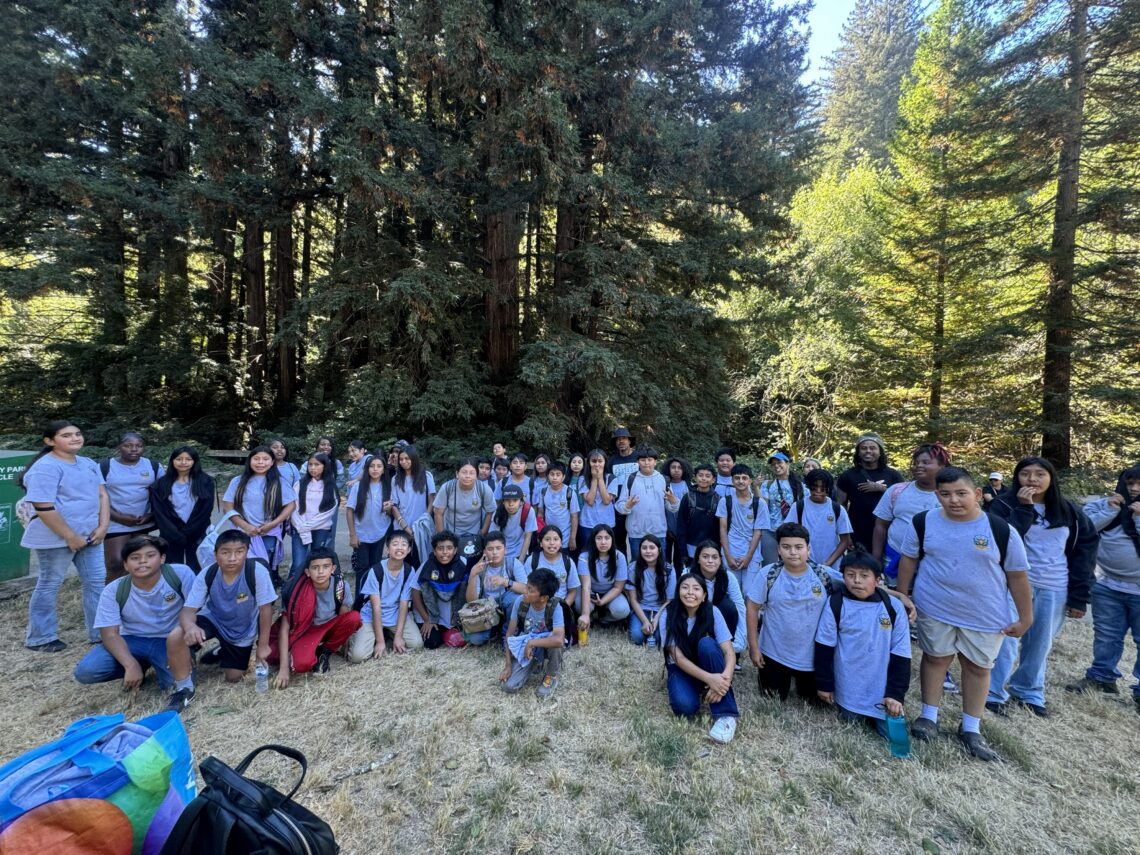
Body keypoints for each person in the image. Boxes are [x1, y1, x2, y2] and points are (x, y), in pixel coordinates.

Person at [897, 467, 1033, 762]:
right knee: (935, 659)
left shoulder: (1000, 530)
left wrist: (1025, 617)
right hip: (935, 606)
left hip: (984, 613)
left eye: (961, 494)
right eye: (945, 494)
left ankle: (971, 726)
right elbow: (908, 560)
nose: (953, 500)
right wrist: (904, 595)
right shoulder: (923, 523)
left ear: (976, 494)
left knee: (978, 667)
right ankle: (928, 716)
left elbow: (1018, 576)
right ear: (937, 496)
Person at [984, 457, 1098, 717]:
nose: (1032, 480)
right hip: (1010, 583)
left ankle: (1028, 691)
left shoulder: (1069, 511)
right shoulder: (1003, 505)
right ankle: (993, 692)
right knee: (1006, 638)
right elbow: (1000, 539)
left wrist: (1080, 596)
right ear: (1016, 477)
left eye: (1039, 475)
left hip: (1054, 585)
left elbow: (1085, 552)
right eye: (1025, 474)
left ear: (1051, 479)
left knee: (1040, 642)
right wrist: (1024, 508)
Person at [19, 420, 109, 652]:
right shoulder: (45, 467)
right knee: (50, 583)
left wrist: (103, 526)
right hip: (56, 538)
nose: (75, 438)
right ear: (50, 441)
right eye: (66, 435)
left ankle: (100, 633)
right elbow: (44, 507)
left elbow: (102, 495)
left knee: (96, 582)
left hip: (90, 536)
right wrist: (70, 537)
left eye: (77, 434)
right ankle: (41, 637)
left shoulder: (88, 463)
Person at [164, 530, 276, 711]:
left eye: (239, 552)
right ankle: (184, 688)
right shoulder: (208, 573)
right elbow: (188, 610)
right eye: (225, 552)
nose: (232, 558)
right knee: (177, 635)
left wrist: (263, 645)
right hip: (213, 618)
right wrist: (190, 626)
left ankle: (221, 650)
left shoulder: (257, 572)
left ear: (247, 553)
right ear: (216, 555)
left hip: (241, 631)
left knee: (233, 677)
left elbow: (265, 610)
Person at [73, 535, 194, 698]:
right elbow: (109, 634)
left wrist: (184, 647)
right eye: (135, 558)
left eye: (150, 556)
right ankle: (138, 664)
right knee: (87, 671)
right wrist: (130, 665)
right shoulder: (113, 590)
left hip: (169, 641)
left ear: (162, 558)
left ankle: (160, 662)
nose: (143, 561)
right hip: (131, 639)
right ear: (125, 564)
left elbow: (196, 610)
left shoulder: (180, 574)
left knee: (175, 685)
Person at [1065, 465, 1140, 712]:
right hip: (1107, 583)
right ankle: (1101, 678)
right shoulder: (1103, 503)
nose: (1134, 489)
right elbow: (1083, 528)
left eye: (1139, 484)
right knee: (1107, 634)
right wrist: (1110, 510)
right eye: (1130, 484)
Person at [815, 550, 911, 737]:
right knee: (852, 726)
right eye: (850, 575)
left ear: (877, 580)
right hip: (849, 691)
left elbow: (901, 653)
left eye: (864, 576)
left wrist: (895, 694)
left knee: (892, 736)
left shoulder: (893, 607)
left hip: (882, 691)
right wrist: (824, 684)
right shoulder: (836, 603)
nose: (856, 581)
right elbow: (824, 647)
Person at [745, 522, 834, 702]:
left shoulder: (823, 575)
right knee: (772, 698)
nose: (793, 552)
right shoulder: (768, 574)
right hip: (774, 652)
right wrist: (754, 648)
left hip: (811, 656)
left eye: (798, 547)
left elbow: (857, 584)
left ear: (808, 549)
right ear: (778, 549)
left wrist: (899, 596)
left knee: (816, 702)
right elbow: (752, 608)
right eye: (786, 547)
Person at [659, 572, 739, 743]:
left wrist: (723, 682)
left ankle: (726, 716)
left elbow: (729, 653)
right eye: (685, 587)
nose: (690, 592)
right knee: (685, 707)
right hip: (681, 668)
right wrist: (710, 679)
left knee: (707, 645)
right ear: (678, 592)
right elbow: (677, 658)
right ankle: (701, 687)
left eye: (696, 589)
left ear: (703, 596)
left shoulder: (713, 611)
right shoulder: (668, 614)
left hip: (707, 662)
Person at [269, 548, 362, 687]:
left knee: (354, 617)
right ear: (307, 572)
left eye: (326, 567)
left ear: (333, 568)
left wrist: (344, 641)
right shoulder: (295, 590)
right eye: (315, 567)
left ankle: (324, 651)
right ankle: (311, 651)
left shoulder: (341, 586)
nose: (320, 572)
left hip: (329, 626)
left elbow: (345, 616)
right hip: (307, 631)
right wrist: (283, 668)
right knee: (301, 666)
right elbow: (285, 629)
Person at [871, 442, 950, 586]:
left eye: (926, 462)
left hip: (931, 564)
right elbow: (880, 525)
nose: (918, 466)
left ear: (942, 466)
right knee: (896, 601)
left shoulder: (949, 495)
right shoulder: (897, 490)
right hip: (893, 559)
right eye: (916, 462)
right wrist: (876, 558)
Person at [222, 446, 297, 580]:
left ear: (272, 462)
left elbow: (291, 505)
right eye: (256, 459)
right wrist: (245, 526)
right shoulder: (237, 481)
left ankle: (263, 597)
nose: (261, 463)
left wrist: (273, 524)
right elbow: (227, 507)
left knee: (262, 569)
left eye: (265, 459)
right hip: (241, 532)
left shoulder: (279, 482)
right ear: (250, 461)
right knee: (239, 566)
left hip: (267, 533)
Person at [347, 531, 423, 660]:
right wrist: (380, 642)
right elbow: (376, 608)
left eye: (404, 544)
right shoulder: (376, 571)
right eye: (395, 544)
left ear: (409, 550)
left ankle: (390, 634)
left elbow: (404, 604)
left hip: (395, 614)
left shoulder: (409, 570)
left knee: (416, 644)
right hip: (371, 616)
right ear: (387, 549)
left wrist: (398, 636)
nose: (399, 548)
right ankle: (371, 636)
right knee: (357, 657)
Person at [101, 433, 163, 583]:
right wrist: (118, 517)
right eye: (128, 445)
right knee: (116, 562)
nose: (134, 449)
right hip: (114, 521)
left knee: (142, 563)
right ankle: (112, 599)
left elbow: (163, 494)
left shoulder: (153, 466)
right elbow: (97, 496)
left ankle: (138, 595)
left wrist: (152, 514)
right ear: (119, 447)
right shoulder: (105, 466)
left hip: (142, 522)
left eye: (139, 446)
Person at [500, 567, 565, 698]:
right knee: (508, 686)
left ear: (543, 598)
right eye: (526, 587)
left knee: (555, 639)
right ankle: (535, 663)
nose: (525, 591)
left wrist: (532, 642)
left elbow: (559, 640)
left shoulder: (554, 606)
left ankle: (551, 675)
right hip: (527, 647)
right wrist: (508, 665)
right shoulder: (520, 602)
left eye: (530, 590)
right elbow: (509, 635)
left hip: (544, 645)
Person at [150, 446, 216, 572]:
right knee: (171, 568)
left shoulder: (205, 481)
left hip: (197, 532)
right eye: (179, 459)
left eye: (188, 459)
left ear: (194, 461)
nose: (183, 462)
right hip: (170, 534)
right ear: (172, 461)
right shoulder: (161, 484)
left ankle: (198, 591)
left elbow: (205, 510)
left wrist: (189, 531)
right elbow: (160, 513)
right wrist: (175, 533)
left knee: (198, 566)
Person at [836, 433, 904, 552]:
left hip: (887, 533)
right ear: (858, 452)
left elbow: (903, 502)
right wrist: (845, 536)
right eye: (864, 448)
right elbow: (840, 506)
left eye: (872, 448)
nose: (868, 451)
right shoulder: (847, 476)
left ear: (880, 451)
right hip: (857, 532)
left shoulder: (893, 475)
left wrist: (882, 489)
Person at [785, 469, 853, 579]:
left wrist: (828, 564)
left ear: (829, 489)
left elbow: (845, 541)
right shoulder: (798, 507)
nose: (818, 491)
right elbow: (788, 535)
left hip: (832, 567)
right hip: (803, 565)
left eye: (823, 488)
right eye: (814, 487)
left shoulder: (837, 509)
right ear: (808, 486)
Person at [462, 532, 527, 645]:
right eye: (490, 549)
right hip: (487, 609)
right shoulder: (479, 568)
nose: (495, 552)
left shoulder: (513, 563)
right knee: (475, 640)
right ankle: (495, 631)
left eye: (498, 548)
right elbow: (471, 601)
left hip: (507, 605)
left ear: (505, 550)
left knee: (516, 598)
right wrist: (473, 576)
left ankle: (507, 635)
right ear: (485, 551)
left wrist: (505, 582)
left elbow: (526, 590)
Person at [615, 445, 680, 558]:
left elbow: (673, 507)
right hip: (636, 533)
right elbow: (619, 505)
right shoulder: (631, 479)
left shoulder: (663, 479)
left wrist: (673, 501)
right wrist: (627, 506)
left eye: (650, 460)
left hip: (659, 533)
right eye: (643, 460)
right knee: (637, 567)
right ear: (638, 462)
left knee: (659, 567)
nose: (646, 463)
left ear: (655, 462)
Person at [409, 530, 469, 649]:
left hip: (454, 615)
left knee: (463, 640)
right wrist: (427, 619)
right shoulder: (427, 566)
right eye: (440, 548)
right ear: (434, 551)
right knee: (431, 643)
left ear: (455, 550)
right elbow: (414, 592)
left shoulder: (463, 564)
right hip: (432, 615)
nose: (445, 552)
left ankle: (453, 626)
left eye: (449, 548)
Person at [690, 541, 747, 659]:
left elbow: (740, 607)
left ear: (720, 560)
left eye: (715, 557)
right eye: (705, 557)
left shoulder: (728, 577)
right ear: (698, 559)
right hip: (696, 619)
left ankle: (729, 652)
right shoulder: (688, 576)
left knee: (728, 607)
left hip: (720, 621)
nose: (710, 561)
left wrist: (741, 639)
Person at [288, 452, 338, 581]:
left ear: (324, 466)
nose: (313, 468)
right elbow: (293, 507)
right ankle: (292, 591)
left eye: (317, 464)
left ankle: (313, 589)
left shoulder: (330, 486)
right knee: (298, 563)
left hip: (320, 528)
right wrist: (301, 526)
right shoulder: (300, 484)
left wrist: (308, 525)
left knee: (317, 562)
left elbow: (329, 510)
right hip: (299, 528)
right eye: (310, 464)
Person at [717, 463, 766, 591]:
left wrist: (748, 557)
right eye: (737, 478)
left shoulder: (759, 503)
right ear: (732, 480)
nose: (741, 481)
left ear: (750, 480)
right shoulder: (725, 501)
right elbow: (722, 529)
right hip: (730, 551)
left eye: (744, 478)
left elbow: (758, 532)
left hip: (752, 554)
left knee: (749, 593)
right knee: (732, 592)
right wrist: (727, 556)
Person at [576, 524, 633, 630]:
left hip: (611, 592)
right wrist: (585, 614)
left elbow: (618, 587)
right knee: (579, 605)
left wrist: (602, 601)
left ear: (612, 540)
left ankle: (604, 618)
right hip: (591, 592)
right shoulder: (584, 557)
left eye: (607, 538)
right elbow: (586, 587)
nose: (603, 542)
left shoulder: (619, 557)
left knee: (622, 610)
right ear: (593, 540)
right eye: (599, 538)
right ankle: (590, 617)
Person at [433, 458, 496, 547]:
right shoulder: (447, 488)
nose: (467, 476)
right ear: (457, 474)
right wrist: (442, 538)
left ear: (476, 475)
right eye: (464, 472)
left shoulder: (484, 489)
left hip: (475, 535)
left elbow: (490, 512)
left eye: (472, 473)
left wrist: (483, 532)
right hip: (451, 534)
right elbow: (438, 513)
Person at [346, 455, 393, 573]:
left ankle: (373, 592)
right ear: (367, 469)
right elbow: (349, 510)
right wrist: (352, 535)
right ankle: (360, 592)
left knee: (375, 568)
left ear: (383, 470)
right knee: (362, 568)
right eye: (372, 466)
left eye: (379, 466)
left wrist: (389, 508)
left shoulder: (388, 486)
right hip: (361, 534)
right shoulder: (358, 486)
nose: (375, 469)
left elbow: (391, 510)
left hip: (380, 533)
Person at [626, 534, 675, 645]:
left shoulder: (669, 569)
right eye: (644, 548)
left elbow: (669, 600)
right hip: (641, 608)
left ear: (659, 550)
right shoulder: (633, 568)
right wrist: (645, 621)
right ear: (640, 550)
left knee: (658, 638)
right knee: (637, 638)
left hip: (661, 609)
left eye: (652, 548)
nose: (648, 551)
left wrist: (657, 617)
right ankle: (635, 622)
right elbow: (633, 599)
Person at [758, 452, 804, 565]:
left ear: (787, 463)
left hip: (792, 531)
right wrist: (755, 487)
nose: (776, 466)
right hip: (770, 530)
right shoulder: (767, 485)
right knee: (770, 566)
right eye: (773, 464)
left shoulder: (799, 485)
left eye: (779, 462)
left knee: (792, 564)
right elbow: (763, 506)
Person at [577, 449, 615, 558]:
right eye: (594, 461)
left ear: (605, 462)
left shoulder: (612, 478)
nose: (597, 464)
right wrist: (594, 479)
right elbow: (589, 500)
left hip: (607, 523)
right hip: (587, 523)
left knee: (605, 554)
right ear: (589, 463)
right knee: (587, 554)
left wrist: (600, 479)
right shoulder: (582, 479)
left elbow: (607, 500)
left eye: (600, 461)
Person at [678, 464, 720, 561]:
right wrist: (683, 552)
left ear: (713, 480)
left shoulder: (718, 499)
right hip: (690, 546)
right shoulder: (687, 498)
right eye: (700, 475)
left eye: (707, 476)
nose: (703, 478)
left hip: (712, 547)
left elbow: (720, 528)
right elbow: (681, 525)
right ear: (695, 478)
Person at [535, 462, 579, 553]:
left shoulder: (570, 492)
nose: (554, 477)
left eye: (558, 475)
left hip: (565, 536)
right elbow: (540, 512)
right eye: (552, 474)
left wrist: (573, 538)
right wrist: (539, 533)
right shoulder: (543, 491)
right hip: (548, 536)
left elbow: (574, 516)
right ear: (548, 476)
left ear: (563, 477)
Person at [489, 484, 538, 564]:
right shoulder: (498, 513)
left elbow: (528, 537)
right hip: (502, 551)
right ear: (503, 502)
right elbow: (492, 536)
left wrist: (521, 561)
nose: (511, 504)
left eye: (515, 500)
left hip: (520, 550)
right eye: (507, 500)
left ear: (521, 502)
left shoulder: (528, 511)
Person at [664, 456, 691, 569]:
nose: (676, 470)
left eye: (679, 467)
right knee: (665, 561)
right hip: (666, 529)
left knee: (680, 562)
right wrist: (666, 529)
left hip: (683, 531)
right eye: (673, 467)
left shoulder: (690, 486)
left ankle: (680, 584)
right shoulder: (664, 484)